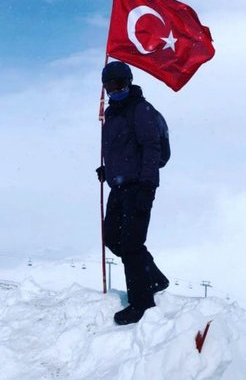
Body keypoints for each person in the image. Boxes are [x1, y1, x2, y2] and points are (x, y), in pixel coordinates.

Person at [97, 61, 169, 325]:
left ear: (128, 82)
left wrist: (147, 187)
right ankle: (154, 278)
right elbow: (123, 150)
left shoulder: (140, 109)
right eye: (109, 86)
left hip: (139, 186)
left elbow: (151, 148)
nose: (114, 90)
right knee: (112, 238)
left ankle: (141, 303)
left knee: (131, 244)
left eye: (118, 84)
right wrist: (108, 170)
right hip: (119, 186)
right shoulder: (112, 113)